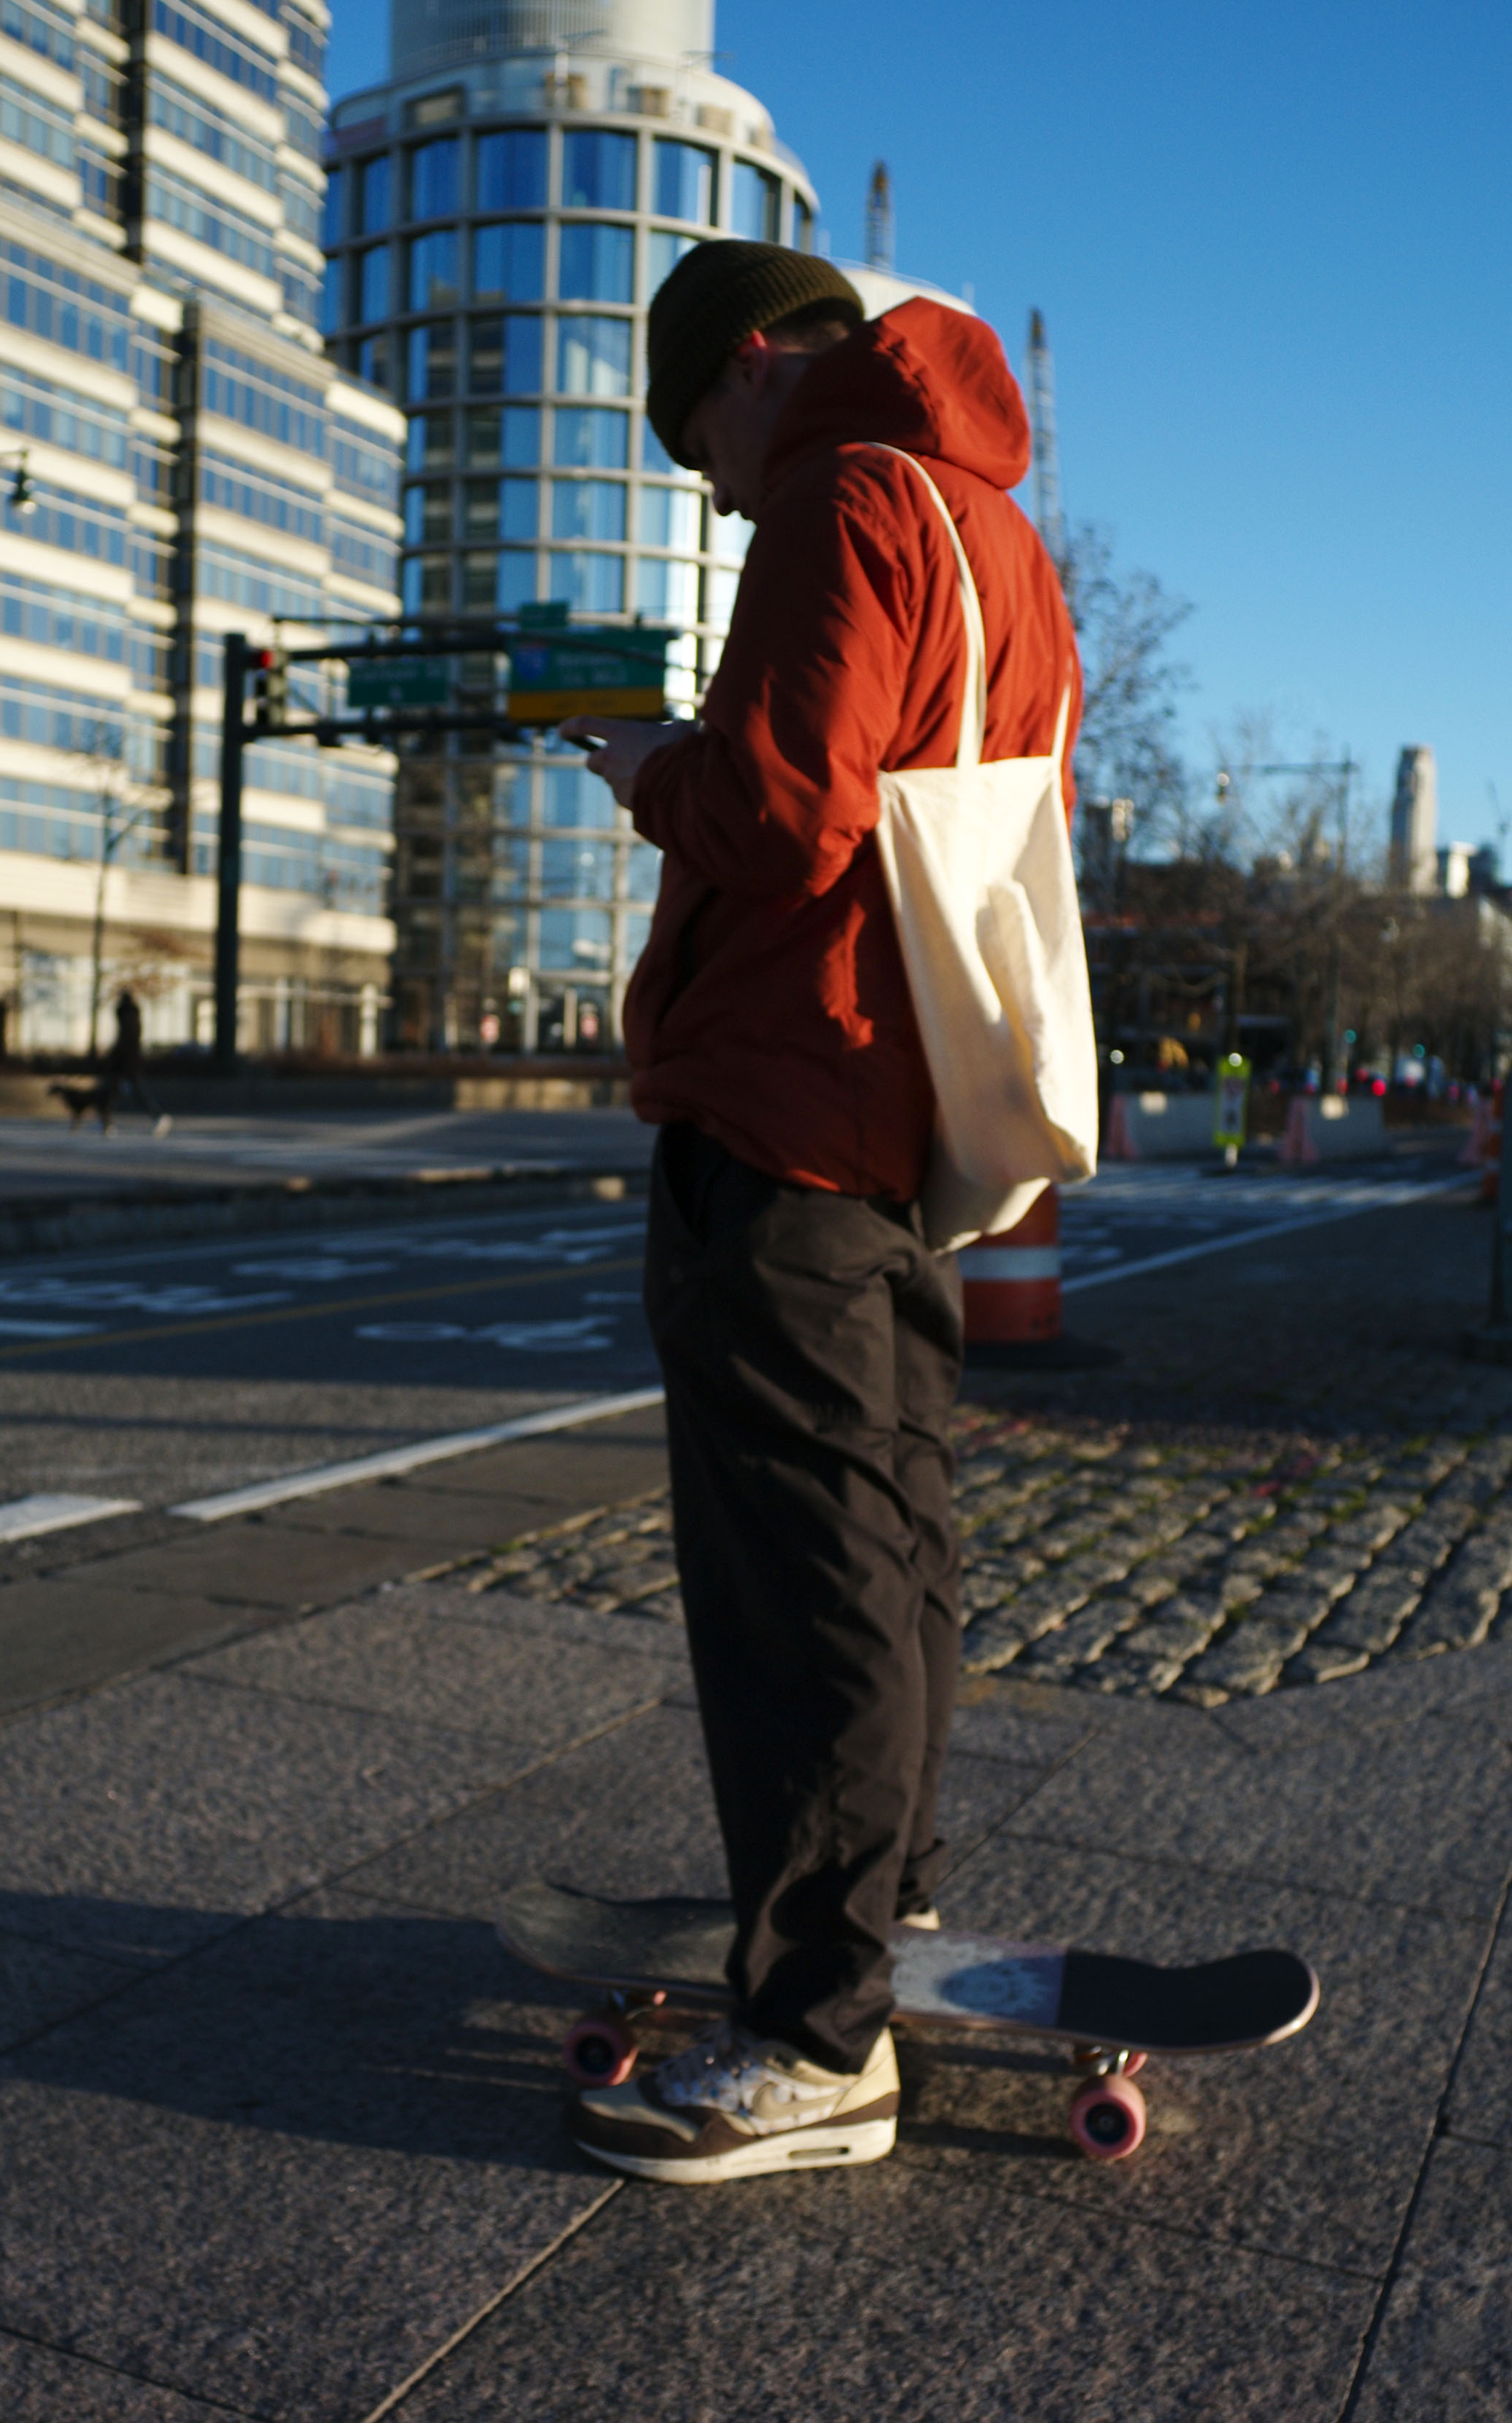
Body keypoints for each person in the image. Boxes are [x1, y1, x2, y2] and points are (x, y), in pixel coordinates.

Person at [559, 244, 1081, 2185]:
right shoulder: (999, 541)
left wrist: (649, 770)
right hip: (901, 1110)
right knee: (885, 1536)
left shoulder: (839, 493)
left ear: (758, 365)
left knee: (788, 1573)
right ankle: (873, 1907)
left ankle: (805, 2038)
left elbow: (784, 815)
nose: (709, 484)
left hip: (776, 1098)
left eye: (697, 431)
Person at [97, 987, 170, 1136]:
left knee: (115, 1092)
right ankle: (106, 1123)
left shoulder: (127, 1016)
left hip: (124, 1062)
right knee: (116, 1092)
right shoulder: (134, 1016)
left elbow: (124, 1040)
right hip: (129, 1061)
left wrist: (114, 1055)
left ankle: (107, 1123)